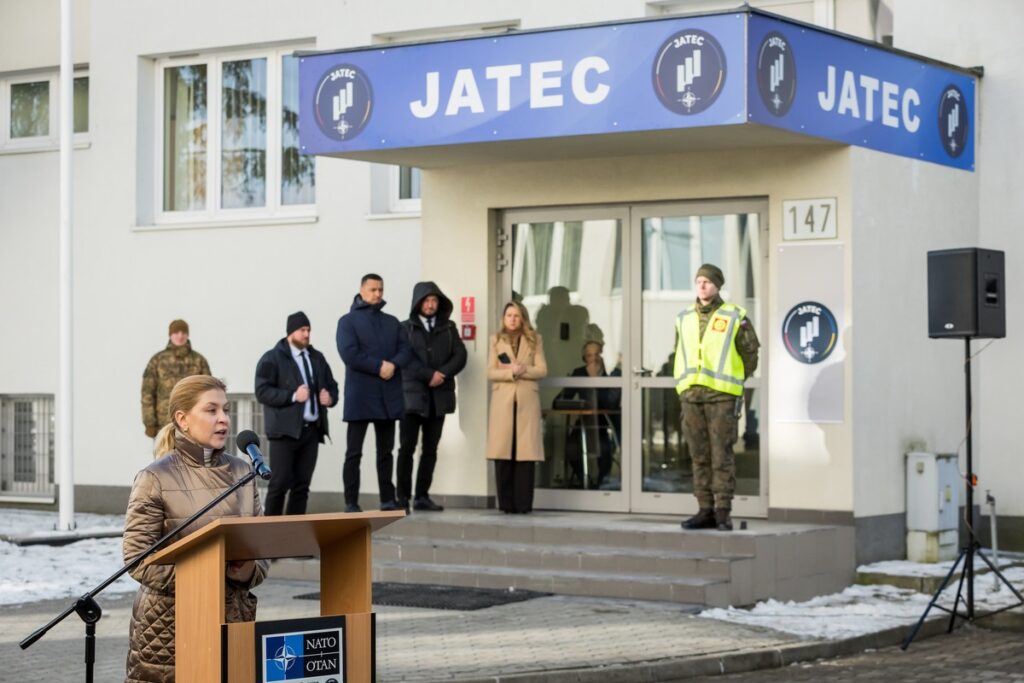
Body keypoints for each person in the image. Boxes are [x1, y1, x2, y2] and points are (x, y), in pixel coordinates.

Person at [122, 375, 269, 682]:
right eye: (211, 410)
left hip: (233, 620)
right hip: (170, 628)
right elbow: (137, 558)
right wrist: (205, 577)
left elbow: (262, 551)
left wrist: (246, 569)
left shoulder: (243, 472)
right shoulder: (155, 478)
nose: (223, 420)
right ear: (183, 419)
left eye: (225, 410)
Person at [673, 264, 759, 532]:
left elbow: (750, 354)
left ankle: (723, 511)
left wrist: (735, 379)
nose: (702, 286)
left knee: (721, 455)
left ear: (718, 286)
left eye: (707, 282)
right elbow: (680, 353)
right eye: (698, 281)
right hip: (692, 396)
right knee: (699, 456)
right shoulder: (684, 317)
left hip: (722, 397)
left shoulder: (735, 315)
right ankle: (704, 509)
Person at [336, 274, 411, 513]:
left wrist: (394, 364)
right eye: (372, 289)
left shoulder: (392, 322)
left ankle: (388, 499)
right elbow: (349, 353)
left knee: (385, 452)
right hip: (360, 396)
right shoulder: (347, 321)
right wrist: (379, 366)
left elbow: (406, 349)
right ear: (361, 289)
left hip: (387, 396)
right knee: (354, 453)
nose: (377, 294)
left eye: (380, 289)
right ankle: (351, 502)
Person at [255, 311, 339, 516]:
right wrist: (292, 396)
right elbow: (262, 391)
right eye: (302, 330)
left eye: (308, 330)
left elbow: (332, 386)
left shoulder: (316, 357)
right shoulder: (272, 358)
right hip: (284, 432)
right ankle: (270, 532)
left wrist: (330, 398)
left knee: (302, 486)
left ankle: (295, 534)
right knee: (279, 483)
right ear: (291, 332)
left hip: (311, 432)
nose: (306, 334)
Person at [397, 282, 468, 512]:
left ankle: (422, 496)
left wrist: (443, 373)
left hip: (438, 398)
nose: (430, 305)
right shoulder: (405, 328)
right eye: (426, 300)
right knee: (406, 449)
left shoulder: (449, 328)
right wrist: (429, 375)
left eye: (434, 301)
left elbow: (460, 355)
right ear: (418, 303)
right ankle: (402, 498)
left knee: (430, 449)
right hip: (411, 399)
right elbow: (404, 358)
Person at [486, 301, 547, 513]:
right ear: (504, 318)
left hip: (526, 401)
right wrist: (510, 373)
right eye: (509, 315)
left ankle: (523, 504)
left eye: (516, 315)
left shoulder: (534, 340)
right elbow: (490, 372)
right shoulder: (495, 340)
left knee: (525, 454)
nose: (512, 319)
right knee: (503, 452)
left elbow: (542, 370)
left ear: (523, 318)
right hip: (503, 403)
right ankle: (506, 504)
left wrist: (522, 370)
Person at [559, 340, 621, 488]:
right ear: (584, 358)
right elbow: (561, 398)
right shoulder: (579, 373)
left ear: (603, 356)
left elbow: (610, 403)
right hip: (585, 423)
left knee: (604, 450)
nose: (593, 359)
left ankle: (600, 485)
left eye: (597, 354)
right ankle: (585, 483)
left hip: (606, 425)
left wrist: (595, 382)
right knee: (571, 448)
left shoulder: (613, 373)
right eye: (589, 355)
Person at [140, 319, 211, 439]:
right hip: (164, 425)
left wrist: (207, 418)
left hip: (193, 424)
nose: (180, 336)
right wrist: (150, 423)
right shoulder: (157, 361)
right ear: (170, 335)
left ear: (188, 335)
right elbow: (147, 393)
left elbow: (208, 392)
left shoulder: (199, 360)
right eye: (176, 333)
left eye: (183, 333)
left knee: (192, 458)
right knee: (166, 457)